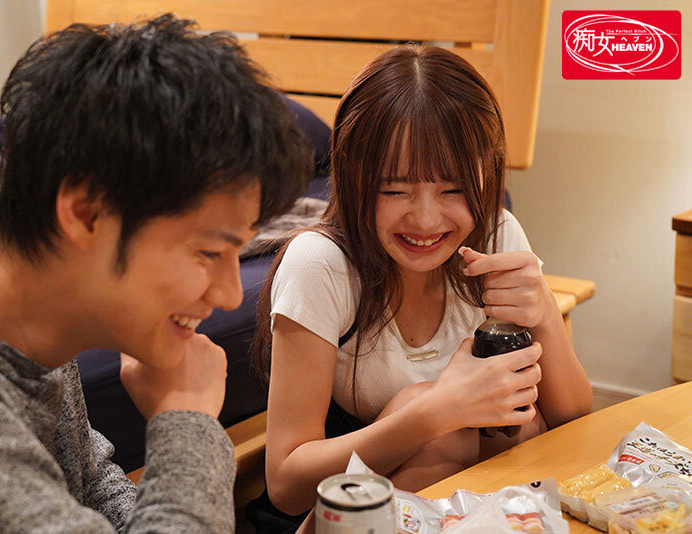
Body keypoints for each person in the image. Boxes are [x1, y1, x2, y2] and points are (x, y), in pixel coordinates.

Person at [0, 14, 312, 533]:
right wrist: (187, 418)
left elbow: (87, 485)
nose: (229, 295)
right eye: (207, 252)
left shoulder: (38, 319)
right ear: (86, 213)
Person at [252, 45, 593, 523]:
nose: (426, 220)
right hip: (350, 511)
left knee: (522, 423)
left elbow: (573, 422)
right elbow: (286, 485)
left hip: (471, 506)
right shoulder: (322, 265)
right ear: (352, 176)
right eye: (395, 190)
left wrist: (545, 313)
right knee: (446, 431)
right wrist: (435, 412)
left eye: (454, 189)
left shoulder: (495, 235)